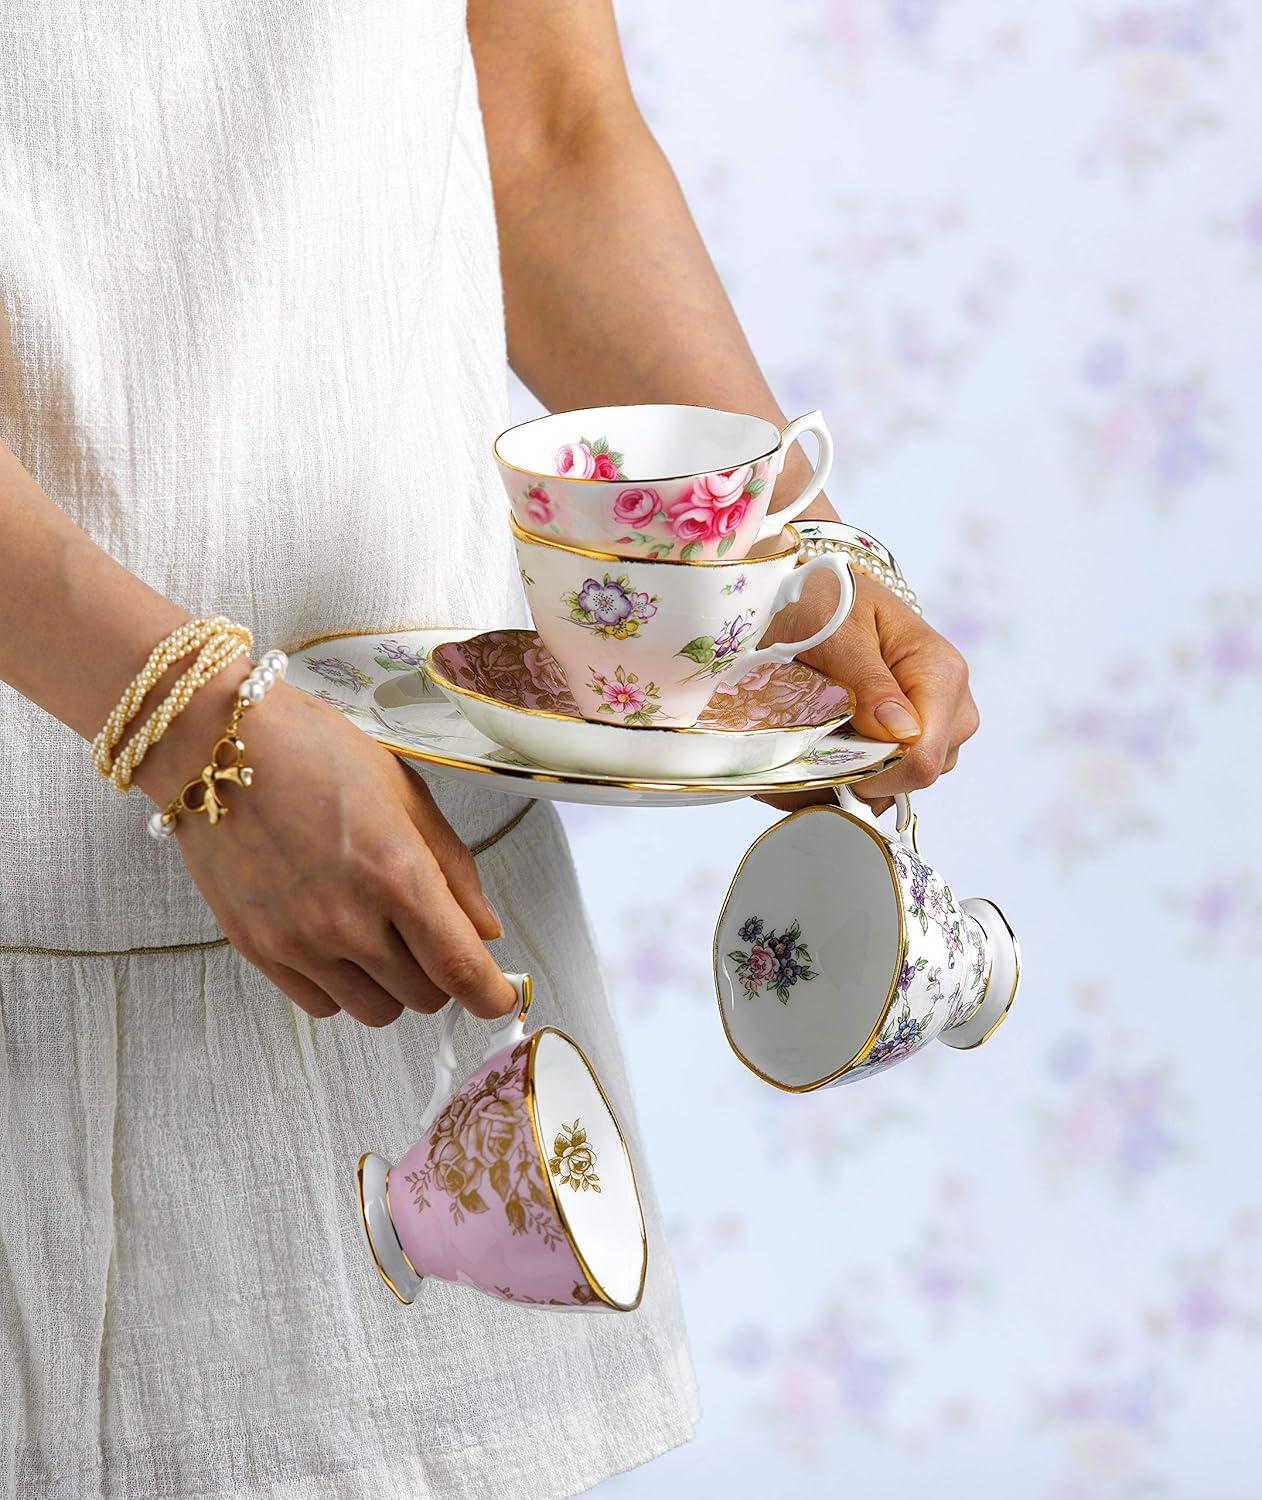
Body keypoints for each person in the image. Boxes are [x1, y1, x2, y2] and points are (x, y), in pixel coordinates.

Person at [0, 3, 978, 1496]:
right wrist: (188, 722)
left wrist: (775, 549)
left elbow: (542, 124)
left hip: (408, 857)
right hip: (48, 860)